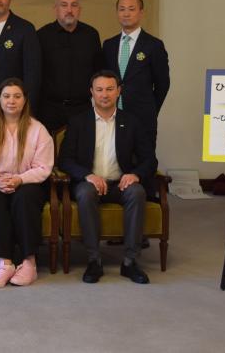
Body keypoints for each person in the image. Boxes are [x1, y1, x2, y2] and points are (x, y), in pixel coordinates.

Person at [57, 70, 155, 284]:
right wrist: (87, 175)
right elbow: (64, 160)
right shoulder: (78, 122)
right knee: (85, 193)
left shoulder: (132, 122)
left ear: (119, 91)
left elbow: (149, 159)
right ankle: (94, 260)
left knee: (137, 192)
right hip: (89, 183)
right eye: (99, 89)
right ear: (91, 92)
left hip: (121, 184)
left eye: (110, 89)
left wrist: (135, 174)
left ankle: (130, 262)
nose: (104, 94)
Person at [0, 78, 54, 288]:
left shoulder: (38, 129)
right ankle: (4, 263)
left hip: (27, 183)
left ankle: (29, 262)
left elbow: (43, 167)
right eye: (6, 96)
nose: (11, 101)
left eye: (17, 96)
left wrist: (19, 179)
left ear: (25, 100)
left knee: (25, 198)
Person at [102, 0, 169, 194]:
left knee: (142, 161)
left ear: (141, 13)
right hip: (113, 115)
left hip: (142, 115)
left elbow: (163, 84)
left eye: (131, 9)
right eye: (122, 9)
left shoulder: (153, 45)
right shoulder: (109, 44)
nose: (126, 13)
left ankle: (146, 202)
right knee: (115, 159)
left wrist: (150, 109)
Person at [37, 0, 104, 133]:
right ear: (55, 9)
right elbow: (36, 74)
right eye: (64, 5)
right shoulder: (41, 36)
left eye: (74, 5)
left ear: (79, 10)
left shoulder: (91, 35)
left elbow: (98, 72)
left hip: (82, 109)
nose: (69, 10)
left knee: (84, 147)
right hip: (49, 111)